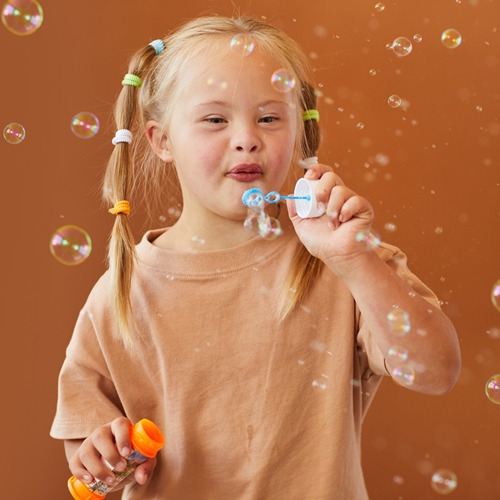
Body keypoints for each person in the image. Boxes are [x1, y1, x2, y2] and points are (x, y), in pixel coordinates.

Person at [50, 15, 461, 500]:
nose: (247, 138)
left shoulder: (341, 261)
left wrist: (355, 260)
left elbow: (435, 371)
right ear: (161, 141)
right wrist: (104, 453)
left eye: (269, 117)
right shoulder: (121, 293)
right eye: (215, 119)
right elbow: (90, 455)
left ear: (300, 134)